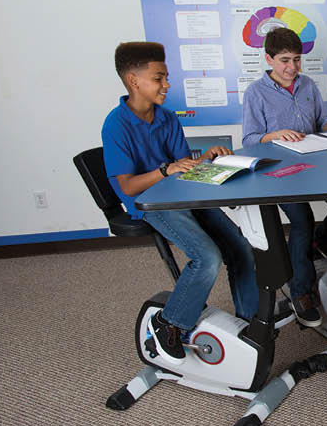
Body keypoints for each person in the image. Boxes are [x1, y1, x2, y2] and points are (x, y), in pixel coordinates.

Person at [102, 42, 259, 364]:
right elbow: (128, 186)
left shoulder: (166, 117)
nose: (166, 84)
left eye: (166, 77)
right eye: (158, 78)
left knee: (241, 248)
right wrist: (164, 171)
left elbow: (183, 166)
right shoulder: (116, 125)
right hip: (149, 203)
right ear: (133, 81)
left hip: (181, 193)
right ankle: (169, 323)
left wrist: (207, 157)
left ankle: (249, 322)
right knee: (207, 257)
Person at [241, 27, 327, 328]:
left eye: (296, 59)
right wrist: (275, 135)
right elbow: (249, 139)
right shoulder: (255, 92)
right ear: (268, 58)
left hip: (315, 165)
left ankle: (321, 240)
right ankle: (300, 291)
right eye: (284, 60)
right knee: (302, 220)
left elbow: (321, 120)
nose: (292, 67)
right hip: (280, 173)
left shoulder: (308, 85)